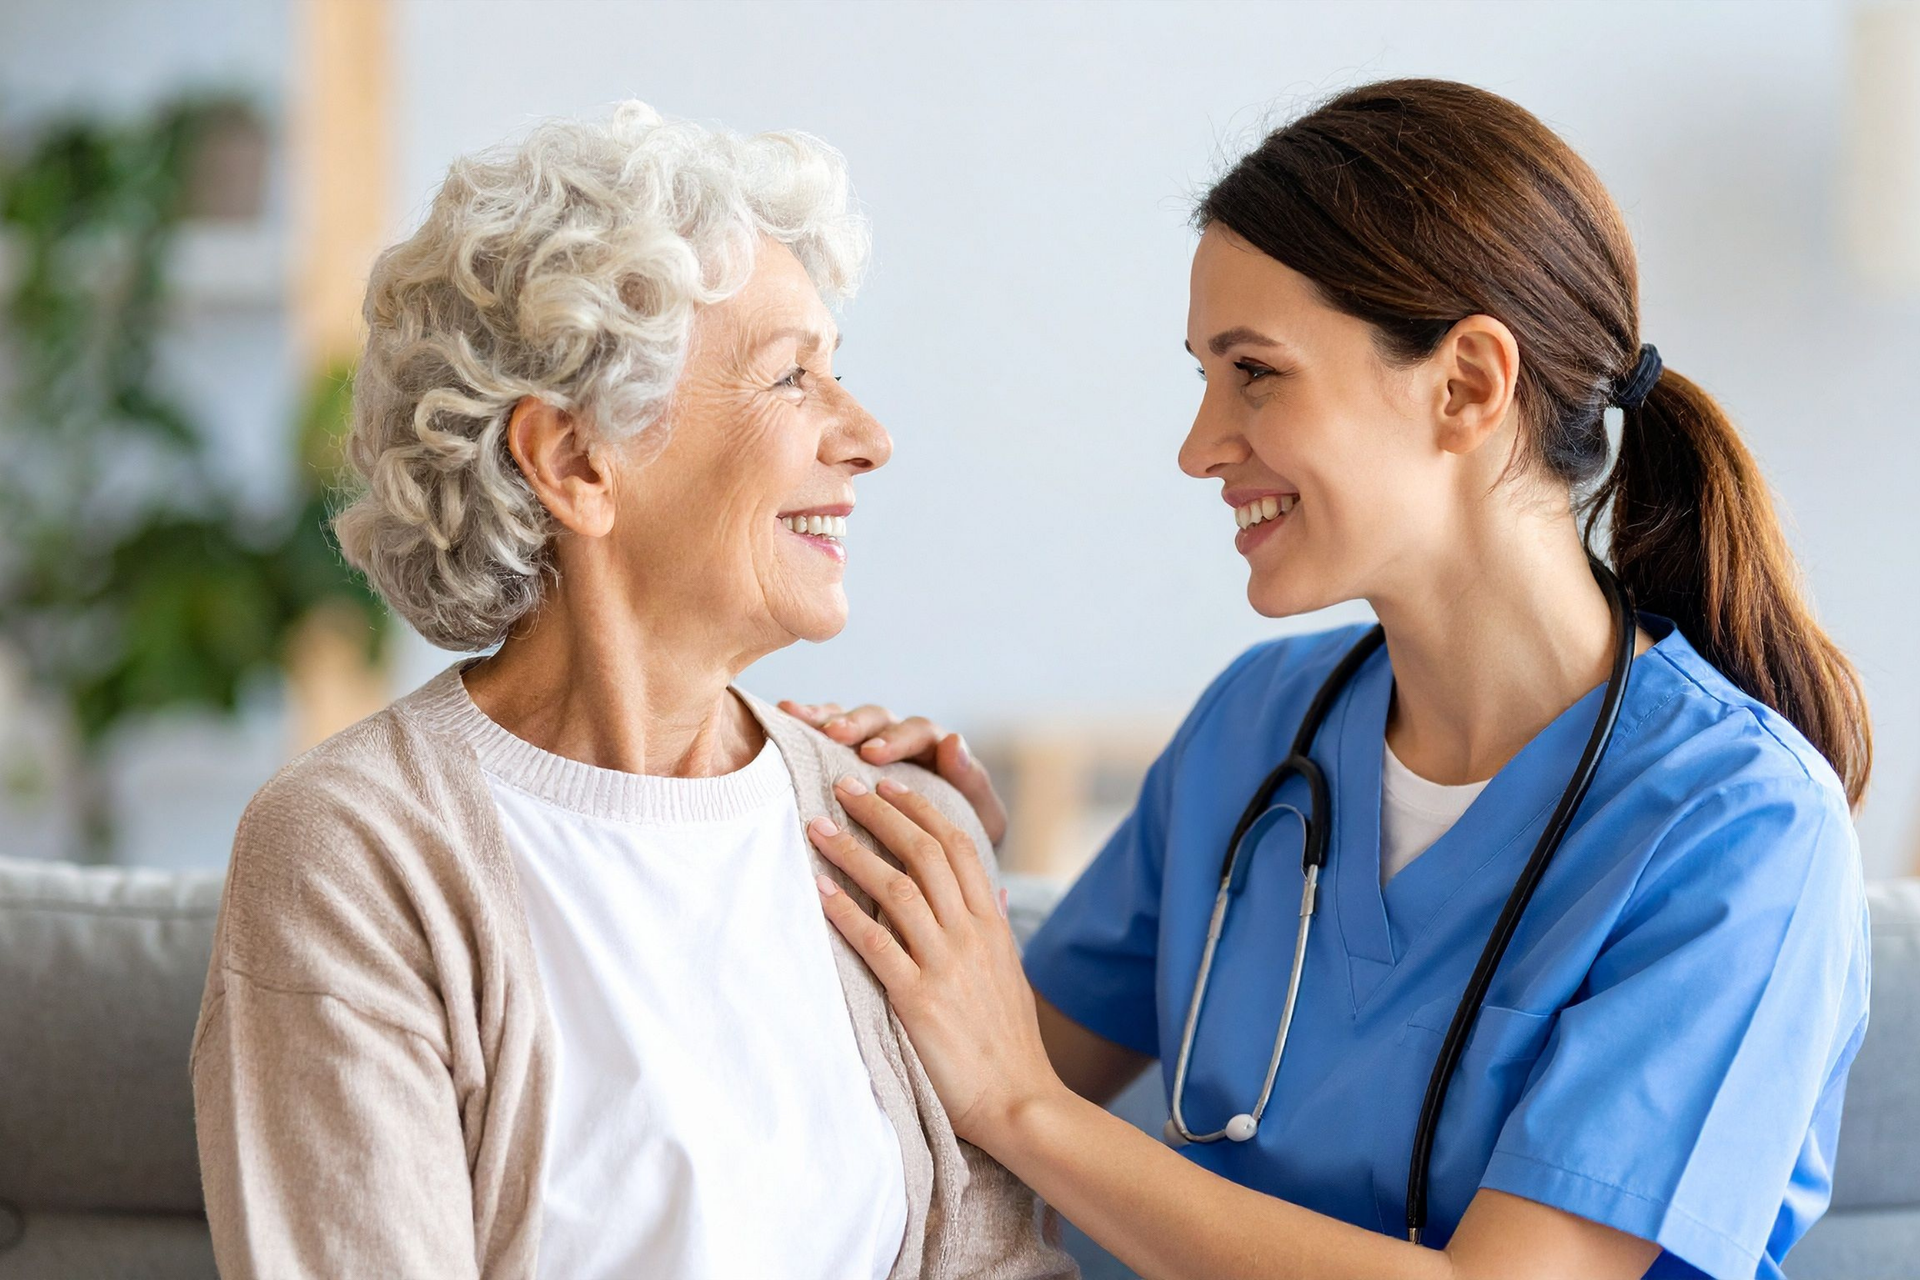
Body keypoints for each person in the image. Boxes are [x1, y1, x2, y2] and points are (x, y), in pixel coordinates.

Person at [788, 79, 1872, 1280]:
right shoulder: (1253, 732)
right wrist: (925, 854)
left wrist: (1026, 1109)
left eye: (1254, 372)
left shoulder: (1739, 826)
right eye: (1206, 377)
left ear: (1465, 384)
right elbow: (927, 1097)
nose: (1200, 445)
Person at [189, 103, 1074, 1280]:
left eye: (837, 372)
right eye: (790, 378)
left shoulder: (886, 831)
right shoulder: (356, 854)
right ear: (575, 460)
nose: (867, 436)